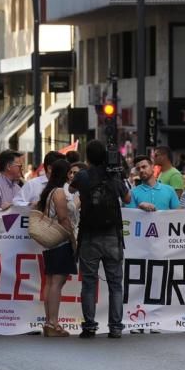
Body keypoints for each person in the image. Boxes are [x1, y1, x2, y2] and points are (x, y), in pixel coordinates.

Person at [73, 139, 127, 339]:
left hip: (88, 236)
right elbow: (128, 199)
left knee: (88, 283)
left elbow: (71, 190)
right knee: (115, 284)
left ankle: (89, 326)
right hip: (112, 235)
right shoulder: (113, 176)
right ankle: (115, 327)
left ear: (87, 157)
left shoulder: (82, 176)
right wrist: (116, 173)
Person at [36, 159, 77, 337]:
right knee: (56, 283)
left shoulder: (49, 191)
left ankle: (49, 321)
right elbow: (63, 218)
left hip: (50, 242)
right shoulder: (59, 192)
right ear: (65, 173)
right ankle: (53, 322)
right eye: (69, 172)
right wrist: (72, 238)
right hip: (60, 241)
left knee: (51, 281)